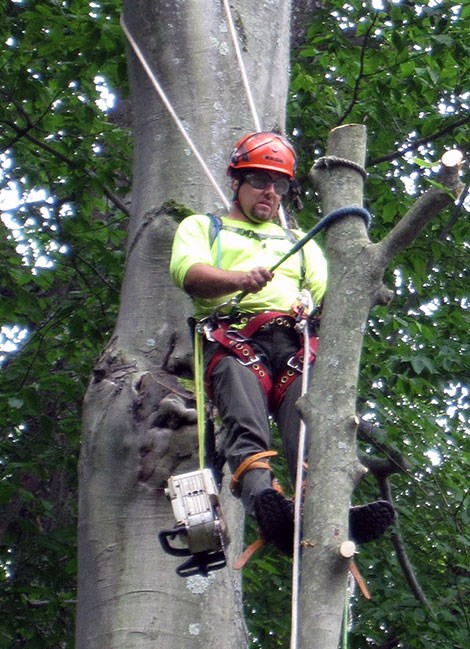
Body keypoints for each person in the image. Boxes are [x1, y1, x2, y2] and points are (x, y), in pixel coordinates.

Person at [170, 132, 394, 555]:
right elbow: (189, 273)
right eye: (259, 179)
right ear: (235, 180)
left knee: (316, 429)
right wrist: (240, 279)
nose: (270, 192)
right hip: (236, 340)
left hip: (295, 346)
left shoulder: (300, 245)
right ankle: (265, 502)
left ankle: (328, 511)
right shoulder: (205, 227)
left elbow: (331, 303)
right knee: (245, 422)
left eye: (280, 185)